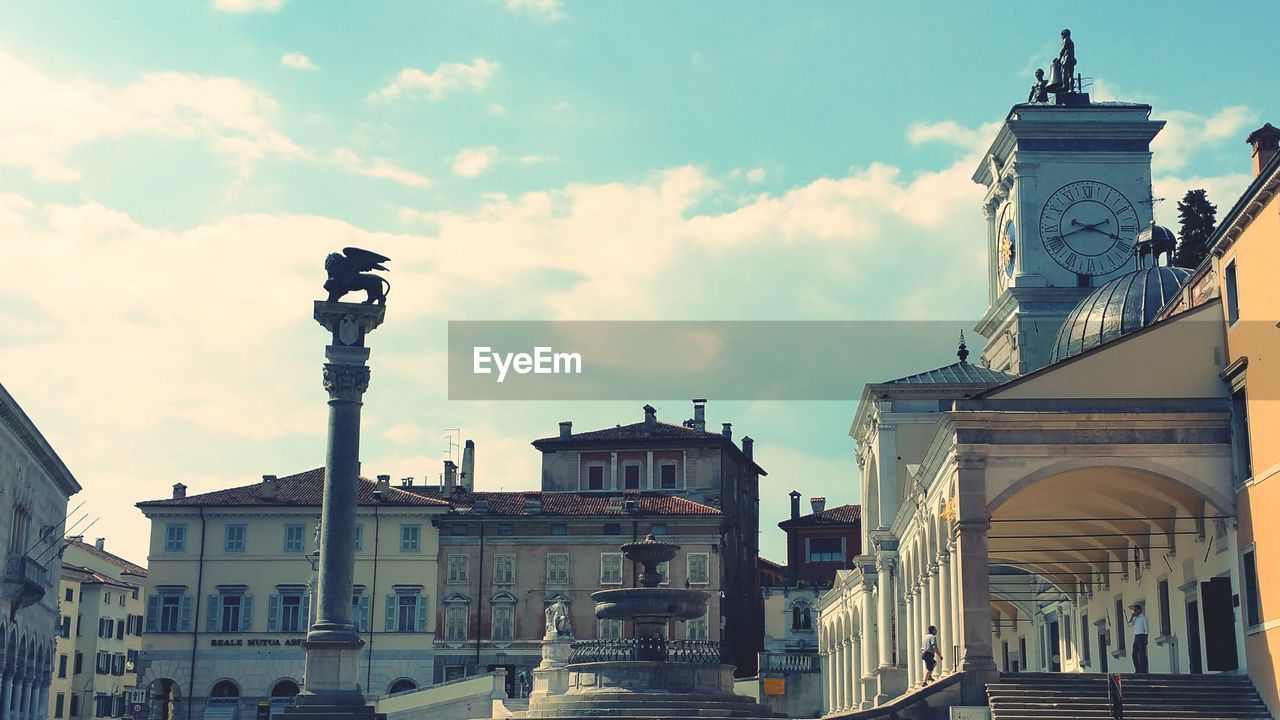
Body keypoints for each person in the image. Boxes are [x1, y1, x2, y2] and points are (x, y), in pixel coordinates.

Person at [1129, 603, 1149, 673]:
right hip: (1136, 637)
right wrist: (1131, 617)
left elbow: (1146, 628)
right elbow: (1129, 625)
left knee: (1142, 654)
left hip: (1142, 636)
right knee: (1134, 654)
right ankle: (1137, 669)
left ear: (1139, 610)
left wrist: (1146, 638)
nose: (1134, 611)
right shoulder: (1135, 618)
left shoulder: (1143, 618)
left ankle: (1144, 670)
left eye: (1135, 610)